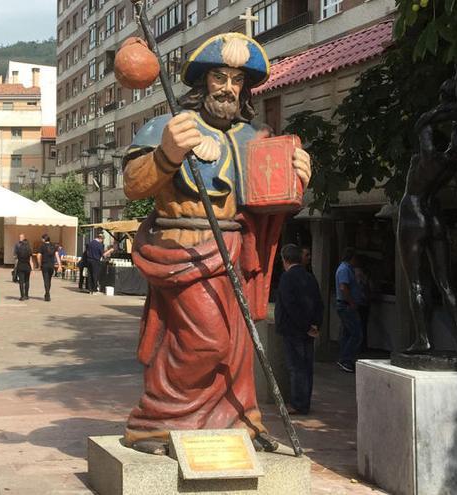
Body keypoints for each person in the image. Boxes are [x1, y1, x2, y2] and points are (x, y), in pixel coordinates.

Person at [120, 32, 312, 454]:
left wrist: (296, 179)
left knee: (239, 345)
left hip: (236, 252)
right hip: (184, 247)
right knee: (206, 340)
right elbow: (133, 184)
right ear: (203, 81)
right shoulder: (170, 127)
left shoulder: (256, 137)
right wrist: (166, 154)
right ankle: (154, 422)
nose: (227, 88)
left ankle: (239, 422)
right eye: (219, 77)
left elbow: (269, 204)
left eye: (237, 80)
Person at [275, 244, 323, 415]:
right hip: (308, 329)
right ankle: (305, 402)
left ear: (285, 259)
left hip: (293, 330)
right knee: (307, 367)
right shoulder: (310, 277)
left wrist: (304, 326)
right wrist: (315, 325)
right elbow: (319, 302)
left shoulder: (287, 278)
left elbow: (290, 305)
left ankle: (297, 403)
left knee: (296, 367)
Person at [335, 247, 364, 373]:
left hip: (346, 304)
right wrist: (351, 302)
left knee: (347, 333)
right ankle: (346, 359)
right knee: (356, 333)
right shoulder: (345, 269)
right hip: (346, 305)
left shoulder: (347, 269)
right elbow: (343, 287)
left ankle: (344, 358)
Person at [37, 234, 61, 301]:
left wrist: (39, 265)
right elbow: (57, 255)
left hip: (44, 265)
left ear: (44, 239)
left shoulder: (42, 246)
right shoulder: (53, 245)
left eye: (42, 238)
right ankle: (47, 293)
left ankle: (47, 294)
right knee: (49, 280)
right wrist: (59, 265)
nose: (42, 240)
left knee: (45, 280)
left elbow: (38, 256)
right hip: (51, 265)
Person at [14, 236, 33, 300]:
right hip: (27, 267)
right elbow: (30, 260)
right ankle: (27, 295)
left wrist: (15, 267)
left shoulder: (19, 250)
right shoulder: (29, 250)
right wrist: (32, 269)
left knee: (21, 282)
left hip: (20, 266)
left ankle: (22, 296)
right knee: (27, 281)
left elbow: (16, 258)